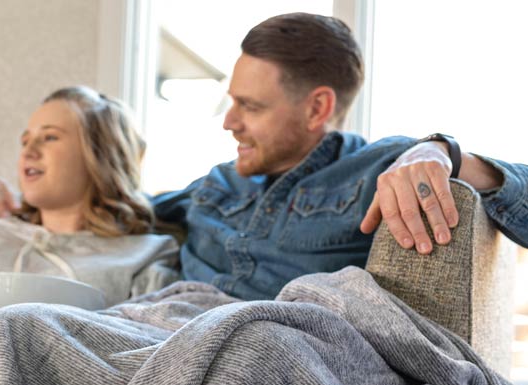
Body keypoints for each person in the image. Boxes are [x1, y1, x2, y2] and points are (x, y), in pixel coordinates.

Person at [153, 12, 528, 301]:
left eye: (249, 106)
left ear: (317, 108)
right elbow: (121, 207)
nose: (229, 122)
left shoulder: (380, 170)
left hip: (262, 351)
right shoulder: (218, 181)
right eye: (232, 102)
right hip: (158, 326)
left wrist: (446, 152)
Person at [0, 86, 179, 307]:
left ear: (104, 154)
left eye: (50, 137)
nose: (29, 151)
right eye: (25, 141)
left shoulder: (146, 254)